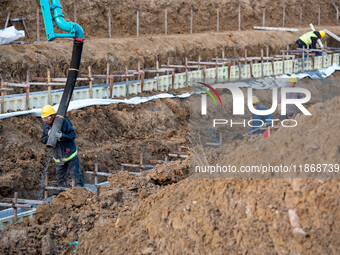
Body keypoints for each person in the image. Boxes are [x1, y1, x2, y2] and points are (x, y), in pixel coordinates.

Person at [40, 105, 84, 189]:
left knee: (75, 175)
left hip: (70, 154)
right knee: (60, 177)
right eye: (44, 119)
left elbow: (72, 135)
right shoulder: (46, 126)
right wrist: (48, 136)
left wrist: (62, 136)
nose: (45, 120)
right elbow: (43, 140)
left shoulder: (63, 122)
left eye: (47, 118)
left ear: (53, 116)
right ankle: (62, 191)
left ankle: (79, 190)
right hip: (58, 156)